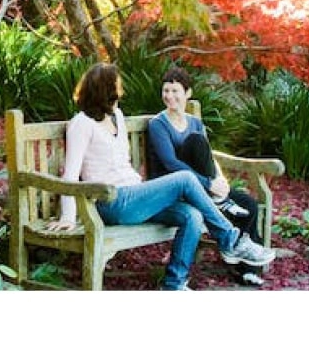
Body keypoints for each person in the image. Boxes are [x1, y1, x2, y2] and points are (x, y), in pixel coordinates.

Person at [46, 62, 274, 290]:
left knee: (192, 216)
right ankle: (230, 240)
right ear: (105, 89)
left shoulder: (116, 115)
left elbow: (123, 164)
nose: (121, 88)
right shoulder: (81, 124)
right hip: (111, 201)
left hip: (135, 196)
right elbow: (71, 174)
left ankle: (174, 284)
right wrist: (68, 216)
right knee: (184, 178)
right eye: (117, 84)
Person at [147, 65, 266, 286]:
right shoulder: (158, 124)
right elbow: (171, 163)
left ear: (187, 93)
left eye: (175, 91)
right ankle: (220, 202)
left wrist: (220, 180)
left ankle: (246, 269)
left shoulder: (195, 122)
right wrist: (209, 183)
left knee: (248, 204)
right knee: (195, 141)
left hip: (203, 188)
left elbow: (208, 156)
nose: (169, 96)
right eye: (166, 91)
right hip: (172, 188)